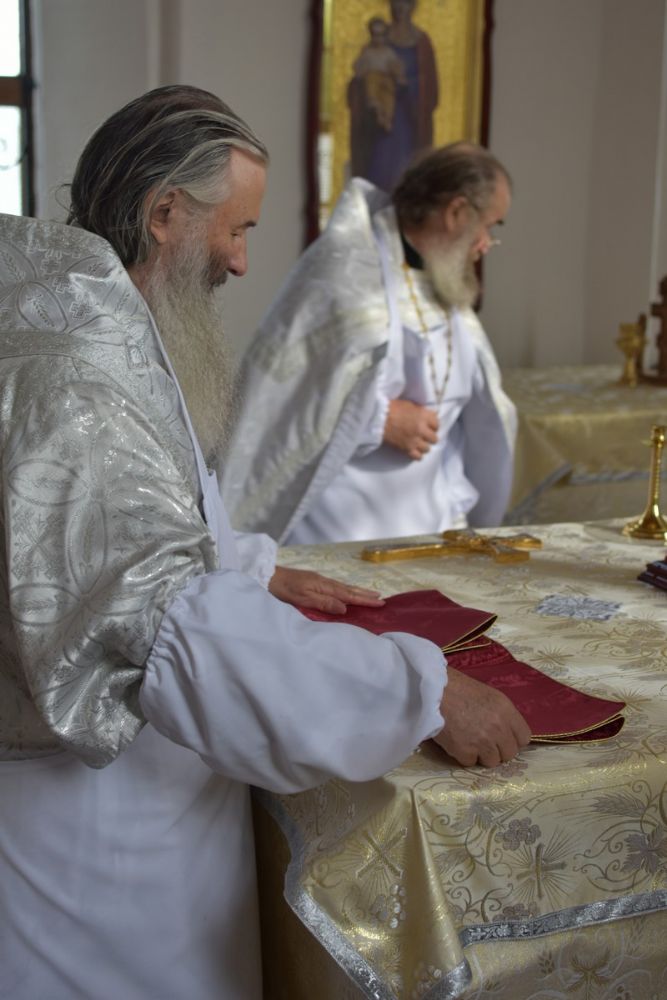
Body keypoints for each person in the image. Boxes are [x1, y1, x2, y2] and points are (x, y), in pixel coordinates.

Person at [0, 86, 530, 1000]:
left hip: (135, 811)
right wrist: (422, 692)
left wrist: (253, 565)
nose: (244, 262)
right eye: (236, 229)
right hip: (98, 843)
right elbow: (172, 632)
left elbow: (152, 532)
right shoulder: (79, 375)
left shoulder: (94, 316)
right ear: (165, 213)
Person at [223, 142, 516, 546]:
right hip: (342, 534)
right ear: (457, 212)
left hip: (435, 523)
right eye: (489, 227)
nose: (486, 243)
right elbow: (289, 396)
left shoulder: (443, 276)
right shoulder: (347, 272)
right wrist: (378, 419)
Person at [348, 0, 439, 190]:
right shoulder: (379, 38)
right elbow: (361, 77)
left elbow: (429, 87)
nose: (399, 8)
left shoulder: (422, 43)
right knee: (380, 165)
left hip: (408, 117)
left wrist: (404, 83)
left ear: (413, 6)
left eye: (405, 3)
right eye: (395, 2)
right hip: (380, 122)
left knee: (404, 170)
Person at [351, 16, 407, 133]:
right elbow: (359, 66)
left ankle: (386, 119)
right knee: (371, 82)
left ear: (385, 36)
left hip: (386, 80)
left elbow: (396, 65)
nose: (378, 39)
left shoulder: (389, 52)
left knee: (389, 98)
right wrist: (360, 72)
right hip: (373, 77)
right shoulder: (367, 51)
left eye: (381, 35)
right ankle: (374, 104)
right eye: (375, 35)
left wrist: (399, 76)